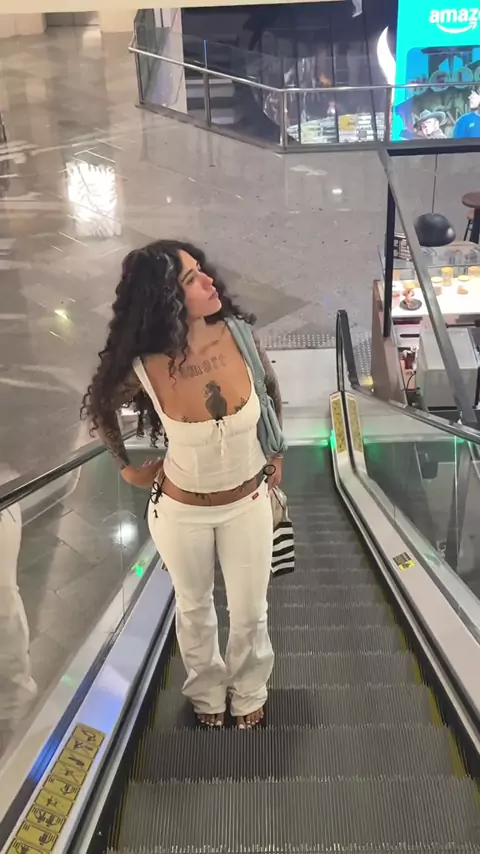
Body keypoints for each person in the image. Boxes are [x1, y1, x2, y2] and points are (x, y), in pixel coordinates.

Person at [81, 240, 283, 730]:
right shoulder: (144, 366)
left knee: (251, 611)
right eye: (192, 279)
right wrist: (127, 467)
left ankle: (249, 688)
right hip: (180, 510)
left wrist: (275, 454)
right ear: (166, 298)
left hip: (247, 502)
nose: (210, 281)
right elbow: (101, 406)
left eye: (201, 271)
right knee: (194, 609)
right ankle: (207, 692)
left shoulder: (240, 337)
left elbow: (270, 390)